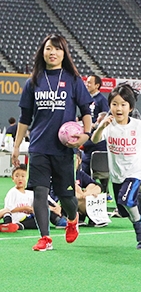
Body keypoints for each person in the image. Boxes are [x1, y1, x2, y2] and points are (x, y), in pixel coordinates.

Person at [11, 33, 93, 251]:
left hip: (64, 149)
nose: (53, 52)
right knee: (39, 191)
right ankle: (45, 238)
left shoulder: (74, 80)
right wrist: (17, 145)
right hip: (38, 146)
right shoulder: (33, 82)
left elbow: (86, 111)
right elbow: (25, 118)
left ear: (64, 53)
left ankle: (73, 219)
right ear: (43, 52)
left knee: (66, 196)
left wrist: (85, 135)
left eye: (57, 49)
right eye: (49, 48)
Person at [92, 83, 141, 249]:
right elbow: (94, 140)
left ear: (130, 108)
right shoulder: (108, 125)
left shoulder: (138, 126)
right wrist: (101, 127)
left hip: (134, 172)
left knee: (125, 199)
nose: (118, 108)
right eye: (114, 104)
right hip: (116, 174)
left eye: (123, 104)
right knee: (123, 210)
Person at [0, 164, 67, 232]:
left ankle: (59, 219)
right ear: (12, 178)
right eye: (17, 176)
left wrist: (56, 206)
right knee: (38, 220)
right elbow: (7, 210)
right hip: (17, 217)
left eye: (23, 176)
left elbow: (46, 198)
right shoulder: (12, 192)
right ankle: (10, 225)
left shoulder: (29, 193)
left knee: (41, 215)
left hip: (28, 217)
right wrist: (25, 208)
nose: (20, 178)